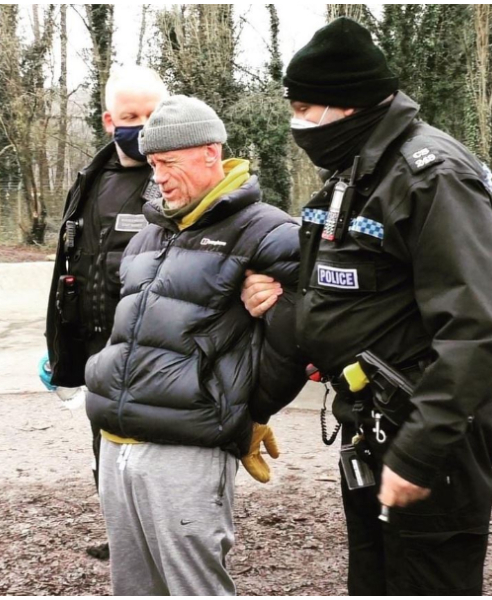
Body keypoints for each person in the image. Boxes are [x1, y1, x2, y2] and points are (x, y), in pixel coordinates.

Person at [242, 17, 492, 595]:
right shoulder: (352, 175)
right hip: (371, 426)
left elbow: (476, 329)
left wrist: (419, 452)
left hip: (430, 440)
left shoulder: (431, 176)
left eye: (305, 109)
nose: (297, 125)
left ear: (348, 104)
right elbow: (333, 292)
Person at [84, 95, 306, 595]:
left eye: (168, 163)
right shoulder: (149, 234)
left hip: (186, 452)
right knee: (132, 590)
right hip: (116, 445)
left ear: (210, 152)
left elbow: (300, 335)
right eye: (153, 165)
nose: (158, 177)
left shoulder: (268, 231)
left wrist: (249, 410)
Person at [43, 65, 165, 558]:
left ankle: (159, 541)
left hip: (153, 346)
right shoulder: (89, 179)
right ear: (109, 121)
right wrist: (59, 342)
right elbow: (69, 262)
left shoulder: (171, 178)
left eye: (153, 115)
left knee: (151, 448)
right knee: (106, 444)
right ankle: (122, 537)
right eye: (131, 117)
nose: (143, 126)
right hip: (97, 344)